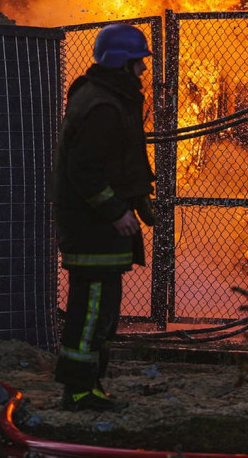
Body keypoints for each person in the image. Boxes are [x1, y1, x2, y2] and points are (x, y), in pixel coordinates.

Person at [51, 23, 156, 412]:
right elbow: (86, 170)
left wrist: (140, 201)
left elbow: (121, 161)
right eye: (138, 62)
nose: (143, 71)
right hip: (92, 229)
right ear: (121, 62)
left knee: (102, 312)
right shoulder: (102, 106)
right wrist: (116, 212)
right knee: (91, 311)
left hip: (99, 228)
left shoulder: (109, 98)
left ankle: (89, 384)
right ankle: (78, 391)